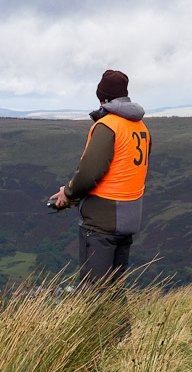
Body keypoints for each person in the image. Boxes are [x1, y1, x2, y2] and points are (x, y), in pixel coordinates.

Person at [50, 69, 151, 288]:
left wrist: (67, 192)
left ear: (102, 97)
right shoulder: (140, 127)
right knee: (114, 290)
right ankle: (119, 325)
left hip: (102, 221)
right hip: (130, 217)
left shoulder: (108, 126)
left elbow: (88, 174)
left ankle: (99, 324)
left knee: (94, 290)